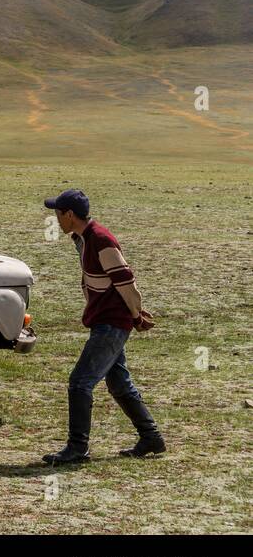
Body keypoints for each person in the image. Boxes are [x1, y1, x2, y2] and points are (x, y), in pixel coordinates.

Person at [41, 189, 165, 465]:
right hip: (104, 320)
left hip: (112, 324)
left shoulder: (101, 240)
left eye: (58, 214)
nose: (56, 220)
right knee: (119, 383)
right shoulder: (84, 239)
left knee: (79, 383)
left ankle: (77, 449)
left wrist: (136, 315)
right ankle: (151, 438)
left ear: (70, 215)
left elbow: (127, 284)